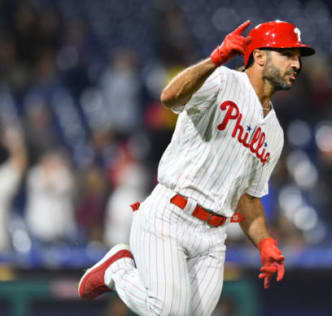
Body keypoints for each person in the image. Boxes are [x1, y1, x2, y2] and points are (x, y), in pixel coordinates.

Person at [78, 20, 315, 315]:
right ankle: (118, 269)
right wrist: (215, 59)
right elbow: (169, 97)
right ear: (260, 55)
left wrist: (265, 243)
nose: (296, 64)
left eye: (298, 57)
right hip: (171, 216)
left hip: (213, 236)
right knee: (166, 311)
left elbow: (249, 197)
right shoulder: (223, 80)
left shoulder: (275, 134)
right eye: (288, 54)